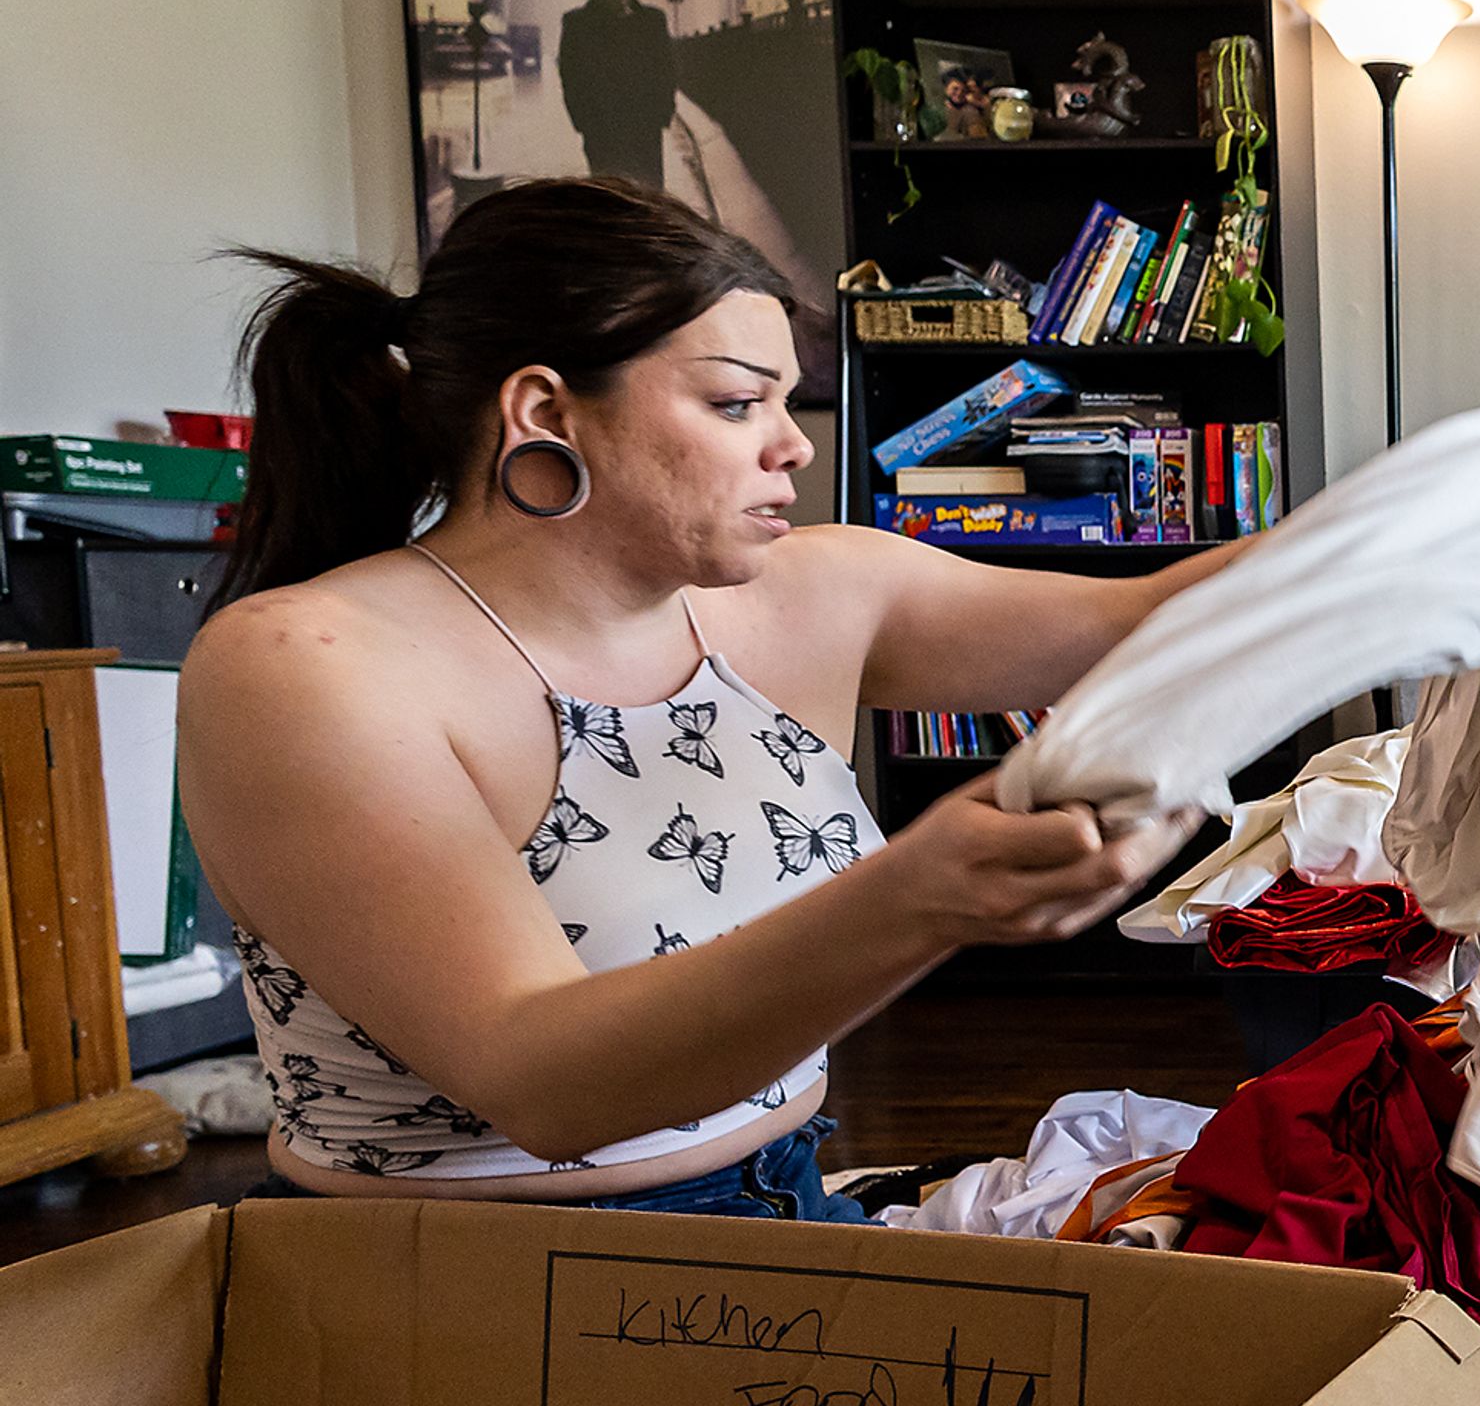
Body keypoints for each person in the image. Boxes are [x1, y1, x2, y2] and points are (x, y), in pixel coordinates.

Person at [181, 178, 1232, 1217]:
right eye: (738, 402)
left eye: (785, 397)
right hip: (466, 1282)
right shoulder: (303, 663)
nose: (795, 444)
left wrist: (1388, 521)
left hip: (790, 1193)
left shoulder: (815, 590)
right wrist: (917, 898)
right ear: (545, 412)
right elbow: (544, 1082)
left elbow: (1142, 626)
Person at [557, 0, 677, 190]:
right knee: (610, 200)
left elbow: (667, 69)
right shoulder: (578, 25)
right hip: (602, 131)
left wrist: (663, 113)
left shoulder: (651, 21)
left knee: (649, 197)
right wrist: (584, 122)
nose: (623, 1)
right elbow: (570, 77)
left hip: (644, 128)